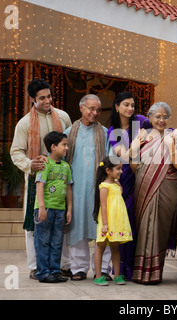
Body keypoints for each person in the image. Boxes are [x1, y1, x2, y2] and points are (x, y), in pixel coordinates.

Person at [10, 78, 72, 279]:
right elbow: (16, 151)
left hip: (60, 179)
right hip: (37, 179)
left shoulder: (62, 117)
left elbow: (69, 145)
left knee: (60, 224)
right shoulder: (25, 123)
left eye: (49, 96)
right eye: (42, 98)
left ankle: (62, 265)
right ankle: (36, 266)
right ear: (32, 99)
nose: (47, 101)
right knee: (34, 223)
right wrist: (30, 165)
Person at [129, 102, 177, 284]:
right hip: (144, 187)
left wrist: (170, 146)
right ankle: (140, 272)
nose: (161, 120)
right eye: (157, 116)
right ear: (149, 117)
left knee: (160, 229)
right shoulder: (142, 137)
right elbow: (135, 168)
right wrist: (135, 149)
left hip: (168, 188)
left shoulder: (174, 137)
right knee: (144, 227)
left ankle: (155, 273)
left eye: (165, 117)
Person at [64, 94, 111, 281]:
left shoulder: (106, 132)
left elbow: (110, 160)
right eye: (91, 109)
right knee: (78, 227)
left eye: (98, 110)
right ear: (81, 107)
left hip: (99, 188)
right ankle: (78, 268)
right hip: (76, 189)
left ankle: (104, 268)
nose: (95, 113)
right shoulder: (69, 132)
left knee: (104, 227)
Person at [107, 91, 152, 280]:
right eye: (126, 104)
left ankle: (138, 267)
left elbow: (160, 129)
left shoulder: (141, 121)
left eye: (132, 105)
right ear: (117, 106)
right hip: (123, 179)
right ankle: (123, 269)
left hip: (142, 175)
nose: (130, 108)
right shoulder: (112, 130)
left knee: (138, 222)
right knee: (124, 221)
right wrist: (135, 143)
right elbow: (123, 157)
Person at [33, 131, 73, 283]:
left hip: (60, 210)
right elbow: (40, 185)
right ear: (53, 146)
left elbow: (68, 189)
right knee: (42, 241)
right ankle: (43, 273)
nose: (66, 148)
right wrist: (41, 207)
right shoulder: (45, 164)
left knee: (57, 243)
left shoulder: (66, 167)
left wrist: (69, 209)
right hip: (46, 209)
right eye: (64, 145)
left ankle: (55, 272)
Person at [93, 156, 133, 286]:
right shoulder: (104, 186)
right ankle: (98, 276)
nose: (121, 171)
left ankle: (116, 275)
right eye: (118, 169)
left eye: (121, 168)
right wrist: (105, 224)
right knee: (101, 247)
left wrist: (119, 185)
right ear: (108, 170)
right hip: (107, 222)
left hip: (116, 222)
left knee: (115, 248)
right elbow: (103, 206)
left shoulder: (116, 185)